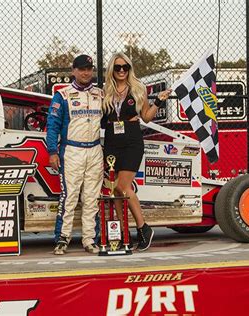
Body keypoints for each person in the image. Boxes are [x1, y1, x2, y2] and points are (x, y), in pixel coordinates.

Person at [102, 52, 171, 251]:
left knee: (123, 187)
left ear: (129, 69)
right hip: (112, 140)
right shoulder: (105, 90)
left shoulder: (138, 88)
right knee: (114, 188)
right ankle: (123, 235)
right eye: (118, 67)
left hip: (132, 139)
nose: (122, 70)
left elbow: (147, 117)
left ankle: (143, 228)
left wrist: (158, 101)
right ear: (112, 70)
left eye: (125, 67)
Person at [46, 55, 104, 255]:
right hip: (72, 150)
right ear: (73, 71)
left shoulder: (100, 94)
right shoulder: (63, 95)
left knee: (91, 198)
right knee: (69, 197)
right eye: (81, 69)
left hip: (95, 150)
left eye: (89, 69)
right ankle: (62, 239)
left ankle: (90, 239)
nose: (86, 72)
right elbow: (52, 125)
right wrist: (52, 151)